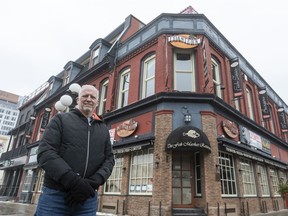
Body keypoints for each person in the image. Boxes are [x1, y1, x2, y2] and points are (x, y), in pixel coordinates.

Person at [35, 84, 115, 216]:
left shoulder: (103, 128)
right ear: (78, 100)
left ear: (97, 102)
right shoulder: (60, 120)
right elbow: (45, 152)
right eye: (85, 96)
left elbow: (109, 159)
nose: (89, 99)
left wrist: (93, 182)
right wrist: (73, 181)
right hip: (56, 197)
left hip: (87, 198)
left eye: (92, 97)